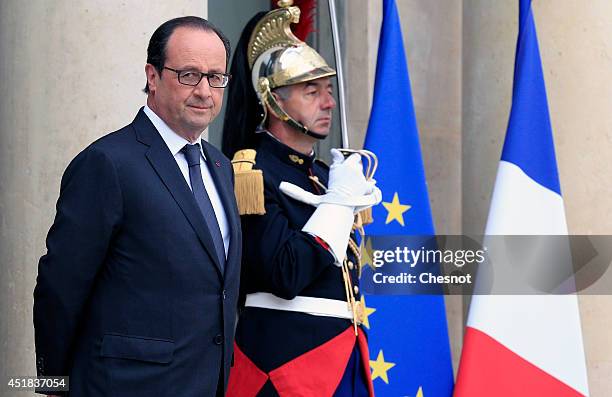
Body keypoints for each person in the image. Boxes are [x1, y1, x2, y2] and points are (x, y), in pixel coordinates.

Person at [33, 16, 241, 397]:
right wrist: (55, 383)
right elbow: (60, 285)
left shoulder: (220, 167)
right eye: (189, 75)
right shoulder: (108, 163)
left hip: (207, 384)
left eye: (216, 77)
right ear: (152, 75)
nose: (204, 91)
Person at [221, 4, 380, 396]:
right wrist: (338, 205)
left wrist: (339, 193)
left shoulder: (327, 176)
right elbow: (285, 274)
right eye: (312, 91)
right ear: (274, 101)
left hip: (345, 352)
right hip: (286, 363)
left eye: (328, 91)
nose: (328, 103)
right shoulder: (253, 172)